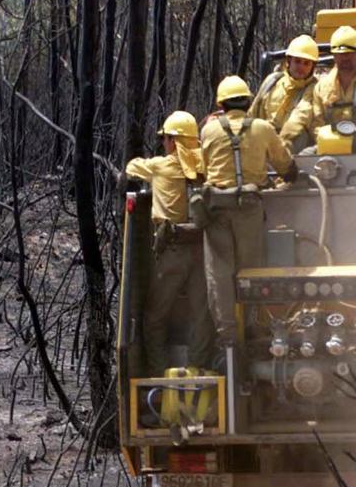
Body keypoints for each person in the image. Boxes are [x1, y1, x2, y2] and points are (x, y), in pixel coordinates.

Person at [199, 76, 298, 353]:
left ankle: (227, 334)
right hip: (249, 207)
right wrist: (290, 175)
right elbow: (284, 165)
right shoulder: (263, 128)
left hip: (216, 208)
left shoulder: (208, 130)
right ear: (248, 101)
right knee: (251, 268)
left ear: (221, 104)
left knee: (219, 273)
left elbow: (205, 167)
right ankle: (254, 325)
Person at [124, 111, 214, 376]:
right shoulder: (206, 167)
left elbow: (131, 167)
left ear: (173, 141)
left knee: (154, 318)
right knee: (202, 314)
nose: (164, 143)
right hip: (203, 251)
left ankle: (159, 376)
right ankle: (198, 371)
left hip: (172, 251)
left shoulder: (160, 167)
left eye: (166, 139)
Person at [280, 26, 356, 166]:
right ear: (334, 56)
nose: (345, 58)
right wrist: (330, 138)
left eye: (350, 53)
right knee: (302, 160)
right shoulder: (322, 87)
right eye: (341, 54)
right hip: (330, 146)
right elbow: (316, 122)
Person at [249, 34, 319, 140]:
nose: (301, 67)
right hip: (263, 143)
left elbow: (301, 117)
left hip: (294, 148)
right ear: (289, 61)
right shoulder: (272, 81)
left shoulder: (315, 88)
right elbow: (253, 113)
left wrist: (280, 144)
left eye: (306, 63)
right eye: (297, 61)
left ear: (312, 67)